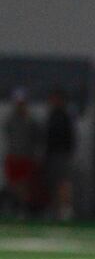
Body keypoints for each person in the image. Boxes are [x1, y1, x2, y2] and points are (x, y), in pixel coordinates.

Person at [3, 89, 41, 217]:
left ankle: (24, 208)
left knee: (24, 185)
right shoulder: (10, 120)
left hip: (25, 157)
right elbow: (10, 137)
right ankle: (15, 207)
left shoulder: (30, 120)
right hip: (14, 156)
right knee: (13, 184)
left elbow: (35, 139)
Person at [42, 90, 77, 220]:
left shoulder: (64, 116)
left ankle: (65, 209)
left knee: (63, 182)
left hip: (61, 154)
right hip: (52, 154)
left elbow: (69, 136)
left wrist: (68, 153)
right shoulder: (52, 115)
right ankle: (56, 210)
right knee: (54, 182)